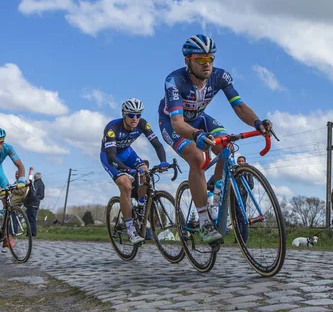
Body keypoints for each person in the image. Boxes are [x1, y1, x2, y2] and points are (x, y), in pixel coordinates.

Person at [158, 34, 272, 245]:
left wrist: (257, 123)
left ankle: (217, 194)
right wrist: (196, 135)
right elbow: (178, 123)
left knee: (226, 144)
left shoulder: (220, 77)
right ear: (188, 61)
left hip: (200, 119)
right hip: (174, 122)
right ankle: (204, 220)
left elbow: (239, 107)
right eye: (201, 59)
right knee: (197, 157)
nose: (207, 63)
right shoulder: (174, 81)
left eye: (211, 58)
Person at [100, 98, 169, 245]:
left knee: (145, 172)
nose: (135, 119)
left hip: (127, 153)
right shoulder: (113, 128)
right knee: (126, 184)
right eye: (131, 115)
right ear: (124, 115)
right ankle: (130, 228)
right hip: (110, 157)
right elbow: (111, 156)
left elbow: (157, 144)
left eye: (138, 115)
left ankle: (141, 206)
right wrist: (128, 170)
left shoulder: (142, 124)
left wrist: (163, 161)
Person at [234, 156, 254, 242]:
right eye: (239, 161)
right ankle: (237, 238)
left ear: (245, 162)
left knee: (242, 217)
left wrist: (242, 191)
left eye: (242, 161)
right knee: (235, 217)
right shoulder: (236, 171)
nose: (241, 163)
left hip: (242, 195)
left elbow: (251, 185)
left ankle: (244, 238)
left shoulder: (247, 172)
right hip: (234, 195)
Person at [24, 170, 45, 237]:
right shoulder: (42, 184)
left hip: (32, 203)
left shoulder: (36, 183)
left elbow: (33, 193)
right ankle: (32, 233)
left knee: (30, 219)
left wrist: (27, 200)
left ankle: (31, 233)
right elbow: (42, 196)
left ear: (35, 178)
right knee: (32, 219)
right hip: (36, 204)